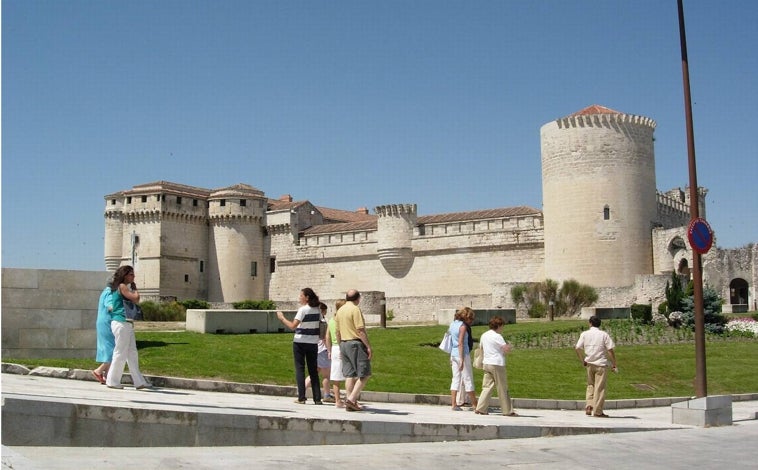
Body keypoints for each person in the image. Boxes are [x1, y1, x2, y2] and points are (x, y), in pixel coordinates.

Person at [105, 265, 152, 390]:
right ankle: (112, 380)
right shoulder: (122, 286)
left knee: (132, 352)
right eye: (131, 274)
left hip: (126, 323)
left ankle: (139, 381)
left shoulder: (121, 287)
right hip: (121, 322)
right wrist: (136, 289)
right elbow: (136, 299)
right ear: (125, 275)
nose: (133, 276)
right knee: (120, 352)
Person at [277, 288, 323, 405]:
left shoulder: (303, 310)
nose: (299, 297)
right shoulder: (318, 310)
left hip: (300, 341)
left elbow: (293, 326)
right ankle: (317, 398)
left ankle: (301, 397)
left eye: (301, 295)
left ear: (307, 297)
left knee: (300, 369)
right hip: (313, 342)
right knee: (313, 370)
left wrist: (282, 318)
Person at [334, 289, 372, 412]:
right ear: (358, 298)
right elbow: (360, 330)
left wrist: (341, 346)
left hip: (344, 343)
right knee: (364, 374)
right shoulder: (355, 309)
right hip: (355, 343)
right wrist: (368, 346)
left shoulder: (340, 310)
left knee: (349, 375)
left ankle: (351, 402)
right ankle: (351, 399)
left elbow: (337, 332)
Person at [575, 315, 617, 418]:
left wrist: (582, 360)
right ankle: (598, 411)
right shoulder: (604, 335)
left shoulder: (584, 334)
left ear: (590, 323)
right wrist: (614, 363)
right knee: (599, 388)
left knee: (590, 385)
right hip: (600, 364)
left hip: (589, 363)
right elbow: (610, 349)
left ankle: (589, 405)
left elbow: (577, 348)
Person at [475, 316, 516, 416]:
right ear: (499, 326)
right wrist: (509, 346)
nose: (503, 328)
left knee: (487, 387)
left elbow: (481, 348)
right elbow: (506, 349)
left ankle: (480, 408)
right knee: (502, 388)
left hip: (487, 363)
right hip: (497, 363)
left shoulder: (484, 335)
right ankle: (507, 411)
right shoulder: (497, 336)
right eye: (502, 326)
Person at [448, 307, 477, 411]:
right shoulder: (463, 327)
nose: (471, 321)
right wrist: (462, 360)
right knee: (468, 378)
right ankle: (475, 404)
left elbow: (451, 341)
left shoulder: (452, 324)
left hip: (453, 354)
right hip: (462, 355)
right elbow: (460, 343)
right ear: (466, 317)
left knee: (455, 379)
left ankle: (453, 404)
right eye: (471, 319)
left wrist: (450, 356)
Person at [305, 302, 333, 402]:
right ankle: (327, 395)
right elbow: (325, 337)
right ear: (323, 311)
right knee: (326, 375)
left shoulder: (311, 321)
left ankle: (301, 391)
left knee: (314, 372)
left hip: (313, 348)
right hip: (322, 349)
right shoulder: (323, 322)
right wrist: (329, 350)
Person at [91, 278, 115, 384]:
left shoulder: (105, 292)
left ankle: (106, 376)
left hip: (103, 322)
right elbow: (110, 306)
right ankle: (98, 371)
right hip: (107, 323)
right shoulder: (109, 293)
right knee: (112, 349)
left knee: (108, 348)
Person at [328, 299, 347, 408]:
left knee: (336, 376)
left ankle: (337, 400)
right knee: (349, 375)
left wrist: (329, 350)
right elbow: (338, 333)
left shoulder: (331, 320)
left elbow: (327, 336)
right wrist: (341, 348)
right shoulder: (340, 320)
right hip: (341, 347)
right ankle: (348, 399)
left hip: (334, 348)